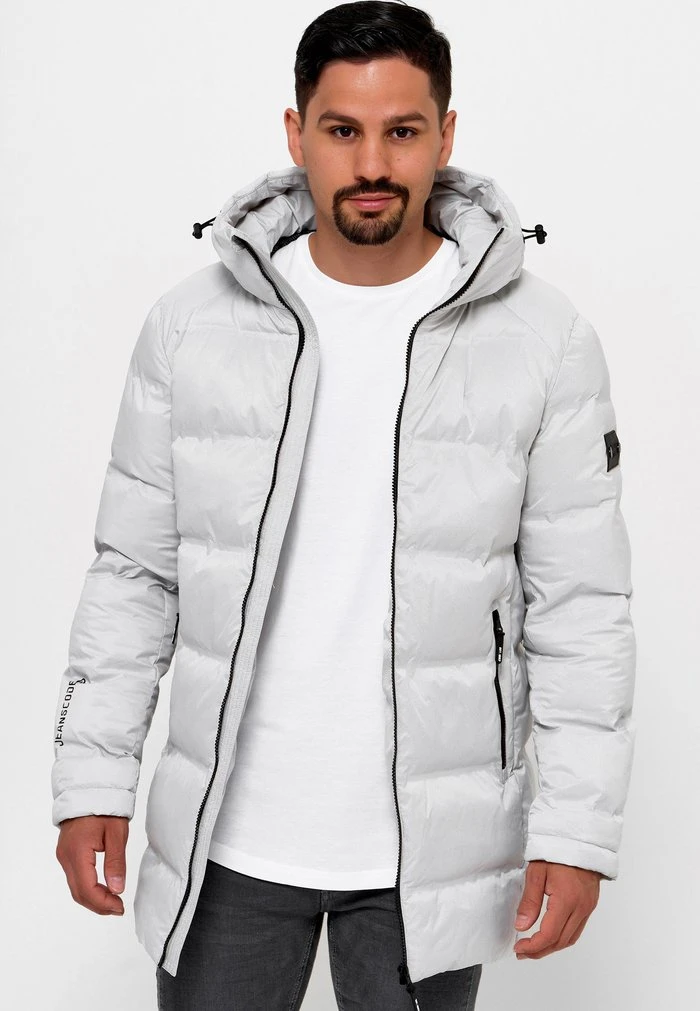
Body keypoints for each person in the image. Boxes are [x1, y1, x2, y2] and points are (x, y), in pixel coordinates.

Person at [51, 2, 637, 1009]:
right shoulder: (191, 327)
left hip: (427, 858)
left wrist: (578, 832)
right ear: (297, 134)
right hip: (228, 840)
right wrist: (92, 779)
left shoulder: (544, 341)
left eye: (402, 130)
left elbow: (581, 609)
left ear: (445, 136)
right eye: (342, 129)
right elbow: (135, 576)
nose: (372, 163)